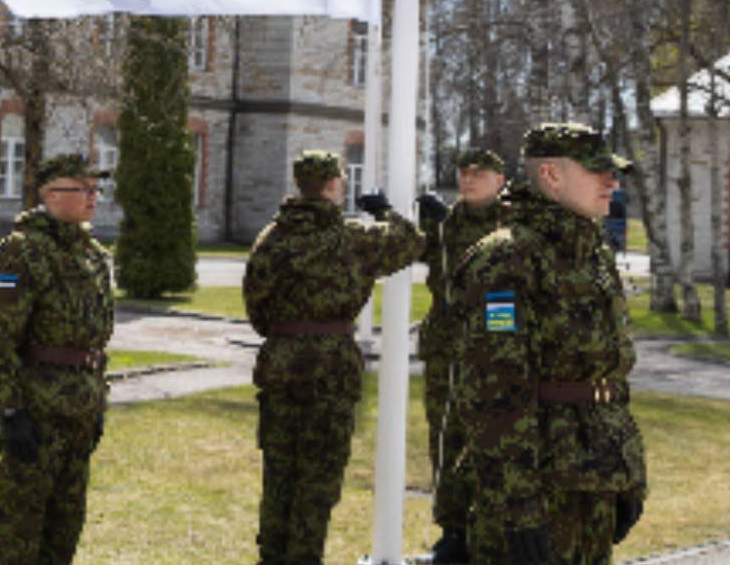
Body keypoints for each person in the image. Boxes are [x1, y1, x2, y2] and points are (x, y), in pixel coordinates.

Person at [452, 123, 647, 564]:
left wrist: (629, 474)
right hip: (535, 490)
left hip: (593, 478)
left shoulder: (591, 253)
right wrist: (518, 505)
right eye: (598, 171)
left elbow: (609, 374)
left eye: (612, 173)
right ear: (552, 176)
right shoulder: (507, 258)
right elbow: (494, 391)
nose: (611, 183)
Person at [242, 149, 425, 565]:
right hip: (331, 372)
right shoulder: (351, 238)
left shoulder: (271, 238)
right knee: (317, 483)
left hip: (281, 365)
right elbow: (411, 242)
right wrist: (385, 212)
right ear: (330, 185)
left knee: (279, 477)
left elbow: (257, 308)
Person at [0, 154, 116, 565]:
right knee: (18, 538)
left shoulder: (94, 256)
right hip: (38, 416)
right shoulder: (23, 252)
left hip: (79, 416)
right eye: (82, 188)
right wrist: (12, 408)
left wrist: (97, 402)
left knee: (63, 534)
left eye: (95, 188)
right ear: (50, 195)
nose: (92, 197)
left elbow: (96, 341)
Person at [414, 147, 509, 564]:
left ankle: (490, 529)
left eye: (480, 174)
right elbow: (419, 256)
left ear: (499, 181)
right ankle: (452, 531)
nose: (469, 180)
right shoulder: (445, 223)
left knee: (491, 440)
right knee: (444, 438)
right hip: (445, 350)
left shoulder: (511, 227)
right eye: (464, 173)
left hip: (492, 353)